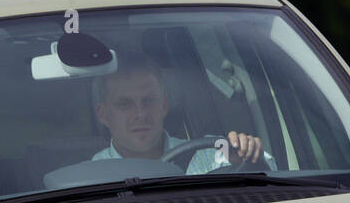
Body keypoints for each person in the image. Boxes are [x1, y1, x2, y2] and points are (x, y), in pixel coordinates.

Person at [90, 52, 267, 173]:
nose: (140, 114)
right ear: (103, 114)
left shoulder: (211, 155)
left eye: (149, 101)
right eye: (125, 104)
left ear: (165, 105)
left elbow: (275, 178)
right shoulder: (90, 177)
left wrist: (250, 157)